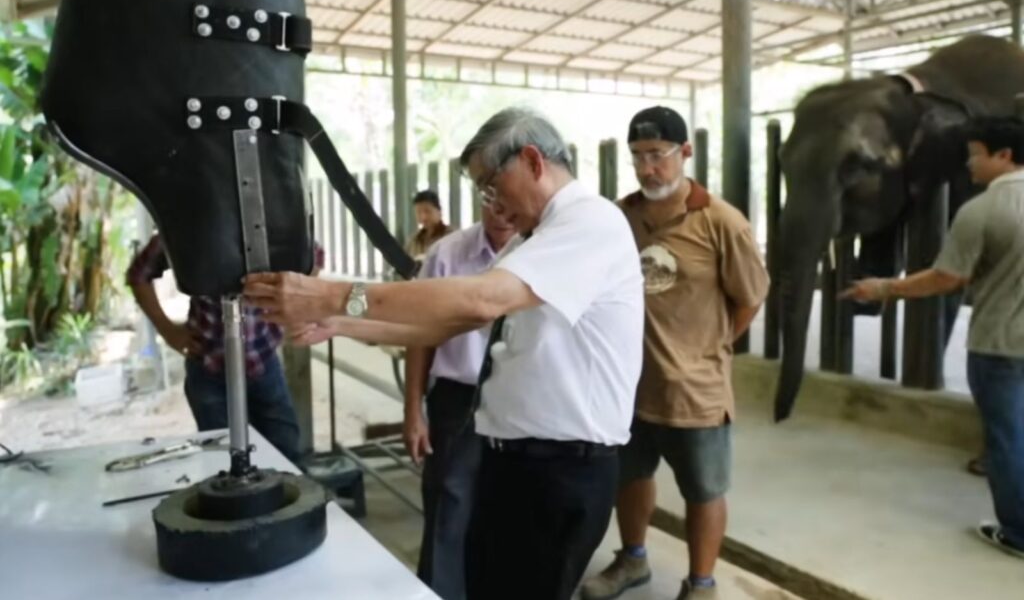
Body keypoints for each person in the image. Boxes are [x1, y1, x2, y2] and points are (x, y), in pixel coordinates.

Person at [243, 107, 644, 600]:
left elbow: (480, 299)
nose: (491, 204)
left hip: (560, 471)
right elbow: (462, 319)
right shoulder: (534, 238)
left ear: (533, 161)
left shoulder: (590, 223)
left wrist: (331, 295)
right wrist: (340, 323)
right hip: (511, 462)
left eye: (491, 185)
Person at [582, 106, 769, 600]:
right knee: (631, 475)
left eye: (658, 156)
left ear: (685, 152)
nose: (648, 168)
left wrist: (712, 345)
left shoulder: (721, 222)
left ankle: (701, 584)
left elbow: (750, 297)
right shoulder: (620, 217)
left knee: (703, 491)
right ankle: (633, 559)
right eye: (638, 157)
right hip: (628, 384)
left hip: (696, 390)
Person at [842, 116, 1024, 560]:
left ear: (1003, 156)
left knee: (1009, 440)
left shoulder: (982, 210)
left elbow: (946, 278)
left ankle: (1019, 533)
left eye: (975, 155)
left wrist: (885, 287)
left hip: (1000, 344)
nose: (969, 165)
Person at [127, 234, 322, 463]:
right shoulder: (187, 226)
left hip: (263, 361)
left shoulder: (271, 222)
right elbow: (138, 274)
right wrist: (168, 331)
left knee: (285, 452)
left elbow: (314, 257)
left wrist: (296, 308)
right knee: (222, 460)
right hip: (209, 366)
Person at [404, 205, 516, 600]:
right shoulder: (447, 254)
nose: (501, 210)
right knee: (449, 502)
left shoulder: (544, 252)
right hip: (457, 398)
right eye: (492, 196)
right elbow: (420, 334)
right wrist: (414, 411)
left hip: (523, 397)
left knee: (511, 507)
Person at [406, 190, 454, 260]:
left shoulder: (452, 236)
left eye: (427, 211)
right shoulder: (413, 241)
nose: (423, 217)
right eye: (419, 212)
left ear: (439, 211)